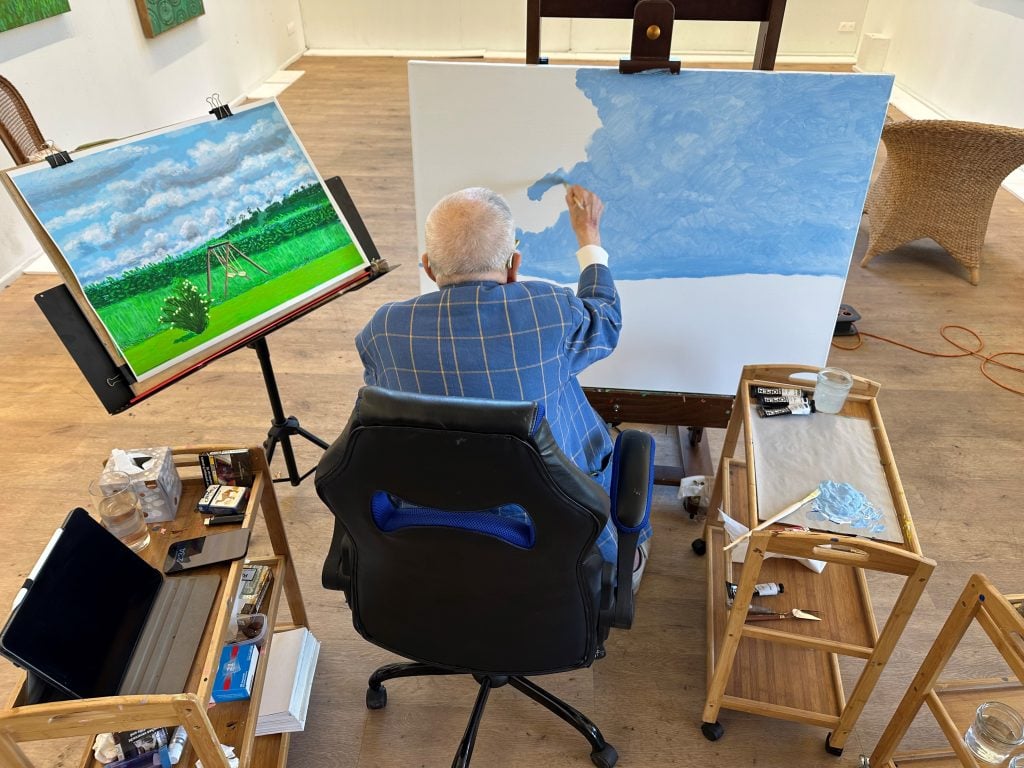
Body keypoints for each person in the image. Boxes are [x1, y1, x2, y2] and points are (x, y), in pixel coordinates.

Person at [355, 185, 652, 587]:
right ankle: (623, 568)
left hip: (431, 518)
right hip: (553, 516)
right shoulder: (548, 310)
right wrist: (590, 239)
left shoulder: (382, 331)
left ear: (427, 267)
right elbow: (606, 320)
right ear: (514, 265)